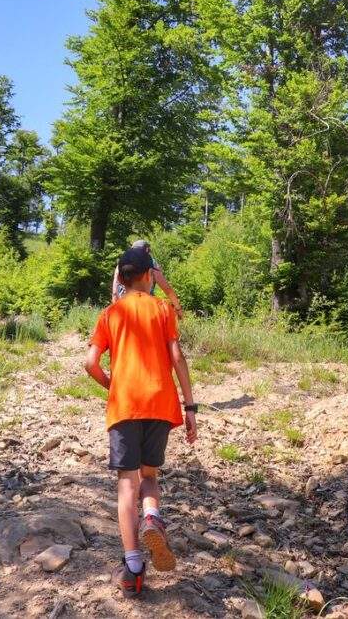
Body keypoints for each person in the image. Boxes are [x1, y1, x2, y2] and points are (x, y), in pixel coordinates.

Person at [85, 245, 198, 597]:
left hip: (125, 406)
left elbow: (90, 363)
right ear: (150, 276)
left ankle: (133, 568)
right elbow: (177, 357)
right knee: (149, 476)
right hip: (160, 404)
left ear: (121, 278)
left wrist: (113, 386)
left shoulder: (110, 313)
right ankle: (152, 517)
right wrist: (190, 407)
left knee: (126, 484)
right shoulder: (162, 308)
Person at [111, 240, 184, 319]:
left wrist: (115, 310)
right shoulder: (150, 262)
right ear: (147, 250)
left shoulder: (121, 264)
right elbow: (166, 288)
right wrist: (178, 308)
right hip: (146, 307)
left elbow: (115, 291)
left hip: (123, 305)